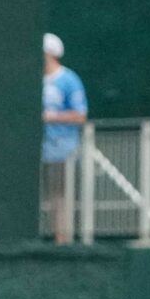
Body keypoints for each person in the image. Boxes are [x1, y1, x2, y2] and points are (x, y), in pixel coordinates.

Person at [41, 31, 88, 245]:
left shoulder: (68, 80)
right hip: (39, 150)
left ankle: (62, 239)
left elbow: (80, 115)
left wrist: (51, 117)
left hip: (62, 149)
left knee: (60, 196)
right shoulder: (36, 80)